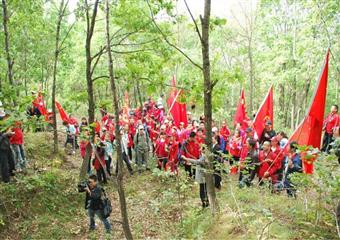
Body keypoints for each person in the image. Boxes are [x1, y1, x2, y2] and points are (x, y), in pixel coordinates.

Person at [0, 111, 15, 183]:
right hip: (1, 149)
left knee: (12, 162)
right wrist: (6, 134)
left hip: (7, 146)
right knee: (4, 165)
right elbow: (2, 137)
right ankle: (6, 180)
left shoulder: (4, 126)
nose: (3, 119)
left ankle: (12, 176)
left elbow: (5, 137)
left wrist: (10, 134)